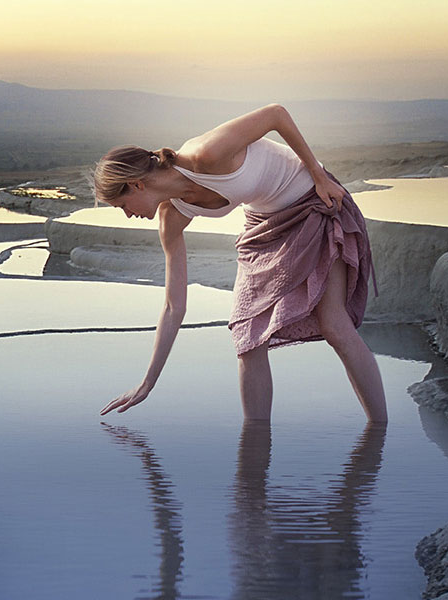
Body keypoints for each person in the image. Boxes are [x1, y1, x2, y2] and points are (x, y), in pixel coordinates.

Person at [91, 104, 386, 422]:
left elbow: (276, 114)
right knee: (247, 337)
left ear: (136, 184)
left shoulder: (206, 154)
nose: (127, 214)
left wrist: (318, 174)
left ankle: (379, 434)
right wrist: (147, 383)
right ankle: (254, 451)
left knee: (334, 324)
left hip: (312, 200)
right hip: (265, 223)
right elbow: (174, 306)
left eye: (122, 205)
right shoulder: (171, 216)